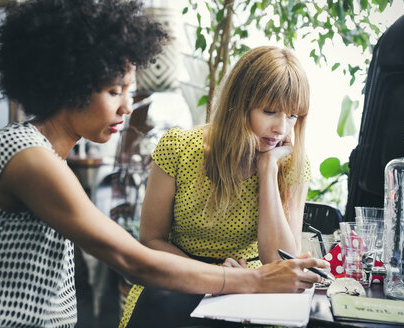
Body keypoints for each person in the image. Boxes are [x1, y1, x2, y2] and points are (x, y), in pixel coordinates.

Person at [0, 0, 328, 326]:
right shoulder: (28, 159)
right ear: (69, 85)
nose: (128, 107)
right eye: (114, 91)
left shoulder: (45, 156)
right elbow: (134, 259)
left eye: (128, 90)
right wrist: (256, 280)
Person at [121, 45, 314, 327]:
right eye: (270, 111)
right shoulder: (179, 148)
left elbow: (278, 260)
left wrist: (268, 169)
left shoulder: (291, 162)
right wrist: (216, 278)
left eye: (293, 115)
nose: (281, 128)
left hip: (251, 288)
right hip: (179, 280)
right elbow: (151, 239)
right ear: (239, 103)